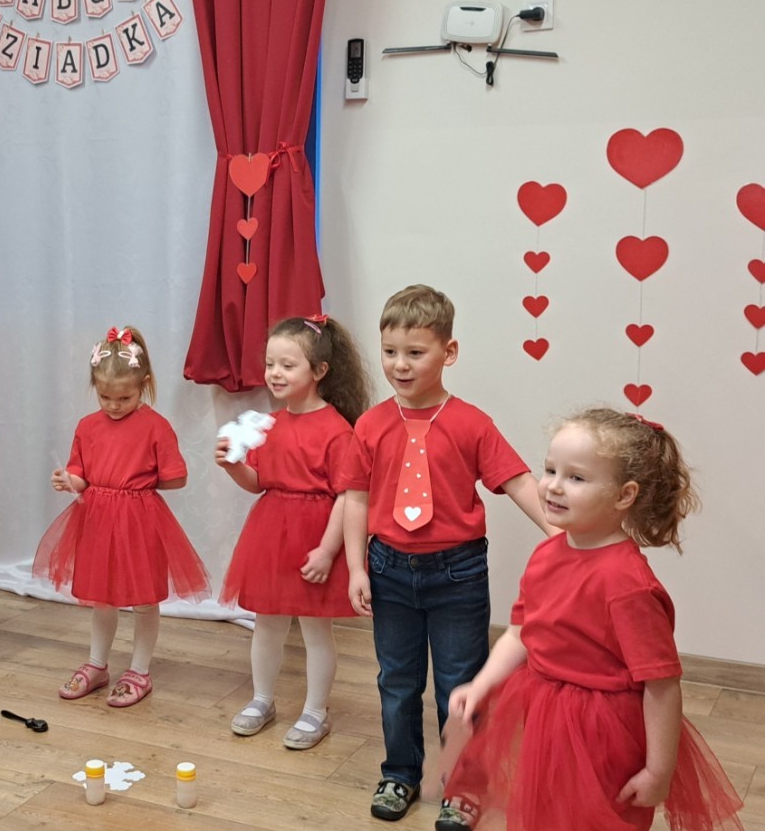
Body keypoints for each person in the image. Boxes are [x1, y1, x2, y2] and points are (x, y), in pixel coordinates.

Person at [441, 409, 744, 831]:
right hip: (543, 711)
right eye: (550, 470)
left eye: (576, 478)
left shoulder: (627, 583)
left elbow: (661, 686)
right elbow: (521, 632)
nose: (553, 486)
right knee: (546, 811)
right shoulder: (546, 553)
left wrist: (658, 771)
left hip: (602, 730)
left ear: (624, 495)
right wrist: (481, 684)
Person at [338, 285, 556, 824]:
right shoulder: (370, 425)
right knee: (396, 681)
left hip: (457, 573)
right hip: (388, 569)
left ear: (448, 352)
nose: (400, 364)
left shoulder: (472, 423)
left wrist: (562, 535)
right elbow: (355, 498)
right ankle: (400, 773)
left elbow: (517, 482)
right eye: (390, 352)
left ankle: (463, 785)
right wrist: (355, 567)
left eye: (415, 352)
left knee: (460, 685)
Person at [34, 325, 210, 708]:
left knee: (144, 599)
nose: (113, 405)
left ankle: (140, 670)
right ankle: (98, 664)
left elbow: (176, 478)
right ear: (95, 387)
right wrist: (69, 480)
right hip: (97, 520)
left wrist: (140, 482)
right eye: (105, 397)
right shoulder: (87, 426)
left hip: (139, 522)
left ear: (143, 385)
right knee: (102, 598)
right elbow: (81, 472)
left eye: (124, 397)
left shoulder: (156, 427)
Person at [216, 314, 371, 747]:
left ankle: (315, 712)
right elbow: (259, 483)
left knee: (315, 630)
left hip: (314, 541)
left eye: (288, 365)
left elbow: (348, 496)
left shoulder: (338, 430)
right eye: (270, 364)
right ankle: (262, 699)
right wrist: (233, 466)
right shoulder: (269, 425)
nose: (275, 373)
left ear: (320, 370)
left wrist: (327, 551)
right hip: (271, 536)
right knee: (267, 624)